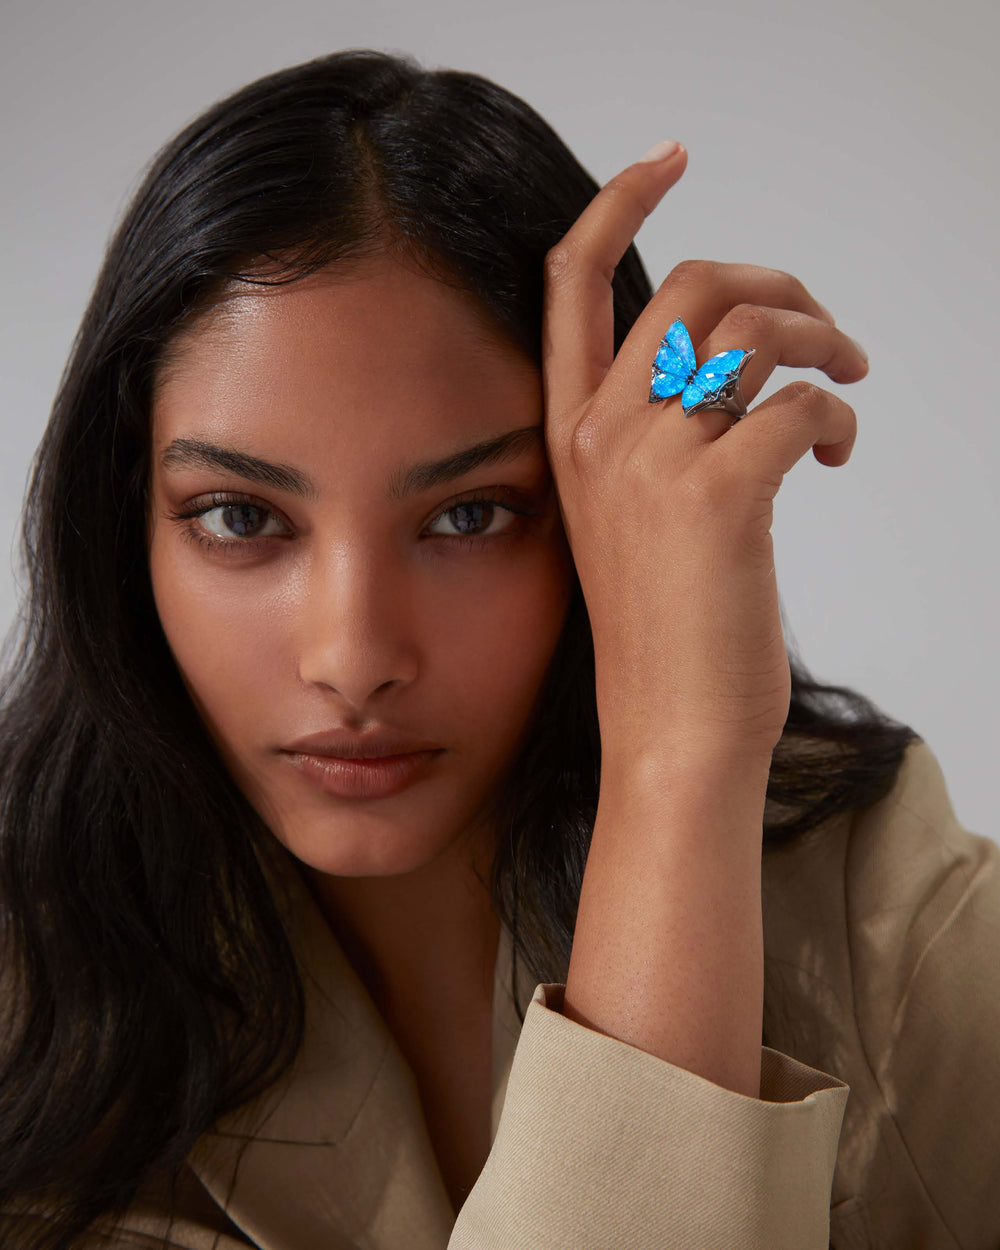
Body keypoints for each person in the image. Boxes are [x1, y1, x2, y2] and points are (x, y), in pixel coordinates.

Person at [0, 48, 997, 1250]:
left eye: (468, 515)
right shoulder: (28, 995)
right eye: (242, 517)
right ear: (120, 529)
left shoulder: (884, 921)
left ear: (598, 520)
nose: (353, 653)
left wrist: (678, 757)